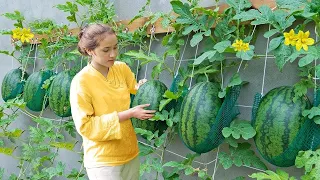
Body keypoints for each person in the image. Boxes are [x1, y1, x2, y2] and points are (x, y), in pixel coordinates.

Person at [70, 23, 155, 180]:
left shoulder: (121, 68)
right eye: (106, 50)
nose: (113, 54)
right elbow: (86, 126)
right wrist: (129, 114)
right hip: (103, 160)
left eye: (115, 47)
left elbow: (134, 89)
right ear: (90, 51)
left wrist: (143, 87)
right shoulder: (81, 82)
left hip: (130, 152)